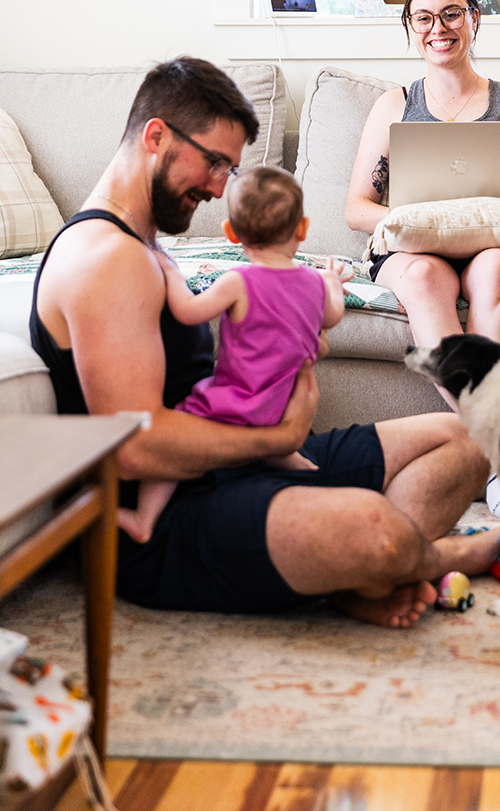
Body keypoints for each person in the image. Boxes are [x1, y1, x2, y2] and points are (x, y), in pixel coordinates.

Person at [29, 56, 500, 627]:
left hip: (239, 464)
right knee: (376, 534)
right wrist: (279, 436)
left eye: (227, 169)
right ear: (156, 136)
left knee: (467, 438)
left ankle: (353, 573)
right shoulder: (107, 259)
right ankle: (424, 557)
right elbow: (136, 447)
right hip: (166, 521)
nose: (216, 187)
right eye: (212, 163)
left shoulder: (144, 245)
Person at [345, 0, 500, 516]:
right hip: (414, 251)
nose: (437, 27)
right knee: (420, 275)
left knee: (492, 269)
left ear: (475, 20)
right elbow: (357, 208)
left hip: (498, 248)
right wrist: (418, 223)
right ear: (409, 28)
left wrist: (480, 224)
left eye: (451, 13)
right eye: (423, 17)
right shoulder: (393, 105)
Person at [116, 165, 349, 544]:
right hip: (281, 406)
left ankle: (144, 520)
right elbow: (333, 316)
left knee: (173, 448)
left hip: (235, 404)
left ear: (231, 235)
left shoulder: (237, 281)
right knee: (285, 454)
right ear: (302, 229)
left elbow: (187, 312)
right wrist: (332, 282)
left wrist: (171, 272)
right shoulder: (313, 282)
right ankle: (312, 478)